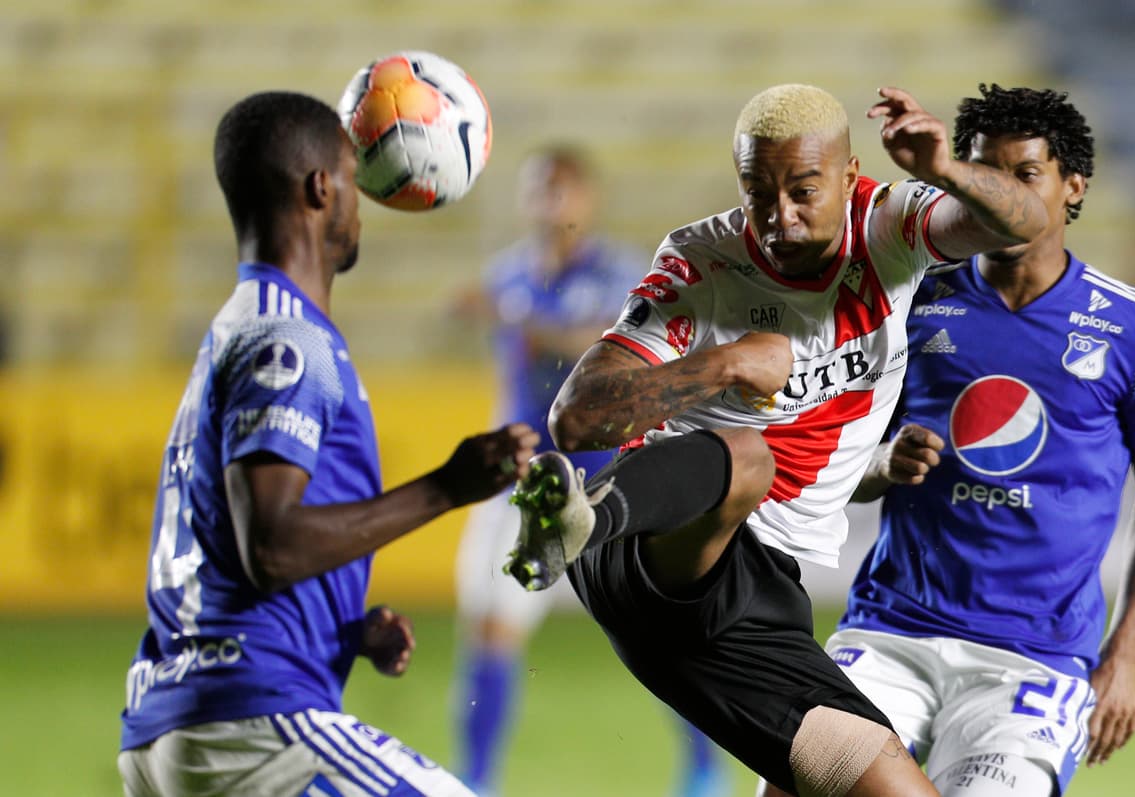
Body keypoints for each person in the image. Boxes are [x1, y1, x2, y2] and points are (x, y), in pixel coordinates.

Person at [503, 83, 1051, 797]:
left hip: (747, 613)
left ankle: (583, 521)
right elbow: (576, 419)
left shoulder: (890, 226)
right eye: (758, 192)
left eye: (801, 190)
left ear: (850, 178)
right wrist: (723, 365)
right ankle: (580, 518)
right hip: (654, 544)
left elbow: (1025, 222)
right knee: (747, 452)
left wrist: (945, 168)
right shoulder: (703, 261)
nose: (778, 216)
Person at [116, 90, 539, 797]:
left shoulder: (236, 329)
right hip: (251, 724)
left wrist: (342, 626)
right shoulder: (287, 339)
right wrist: (449, 486)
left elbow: (232, 540)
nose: (359, 203)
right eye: (352, 177)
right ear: (320, 189)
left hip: (177, 723)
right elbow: (273, 544)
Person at [802, 84, 1135, 797]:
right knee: (795, 781)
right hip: (891, 629)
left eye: (1023, 174)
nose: (1000, 193)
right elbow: (835, 463)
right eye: (985, 172)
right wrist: (879, 463)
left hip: (1036, 659)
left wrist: (1123, 657)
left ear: (1072, 185)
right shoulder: (917, 303)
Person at [451, 145, 726, 797]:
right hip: (526, 479)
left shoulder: (619, 273)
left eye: (561, 187)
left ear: (587, 198)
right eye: (538, 187)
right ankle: (477, 779)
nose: (550, 200)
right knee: (491, 628)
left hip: (609, 482)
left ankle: (705, 769)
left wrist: (518, 321)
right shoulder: (509, 273)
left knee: (655, 639)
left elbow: (599, 342)